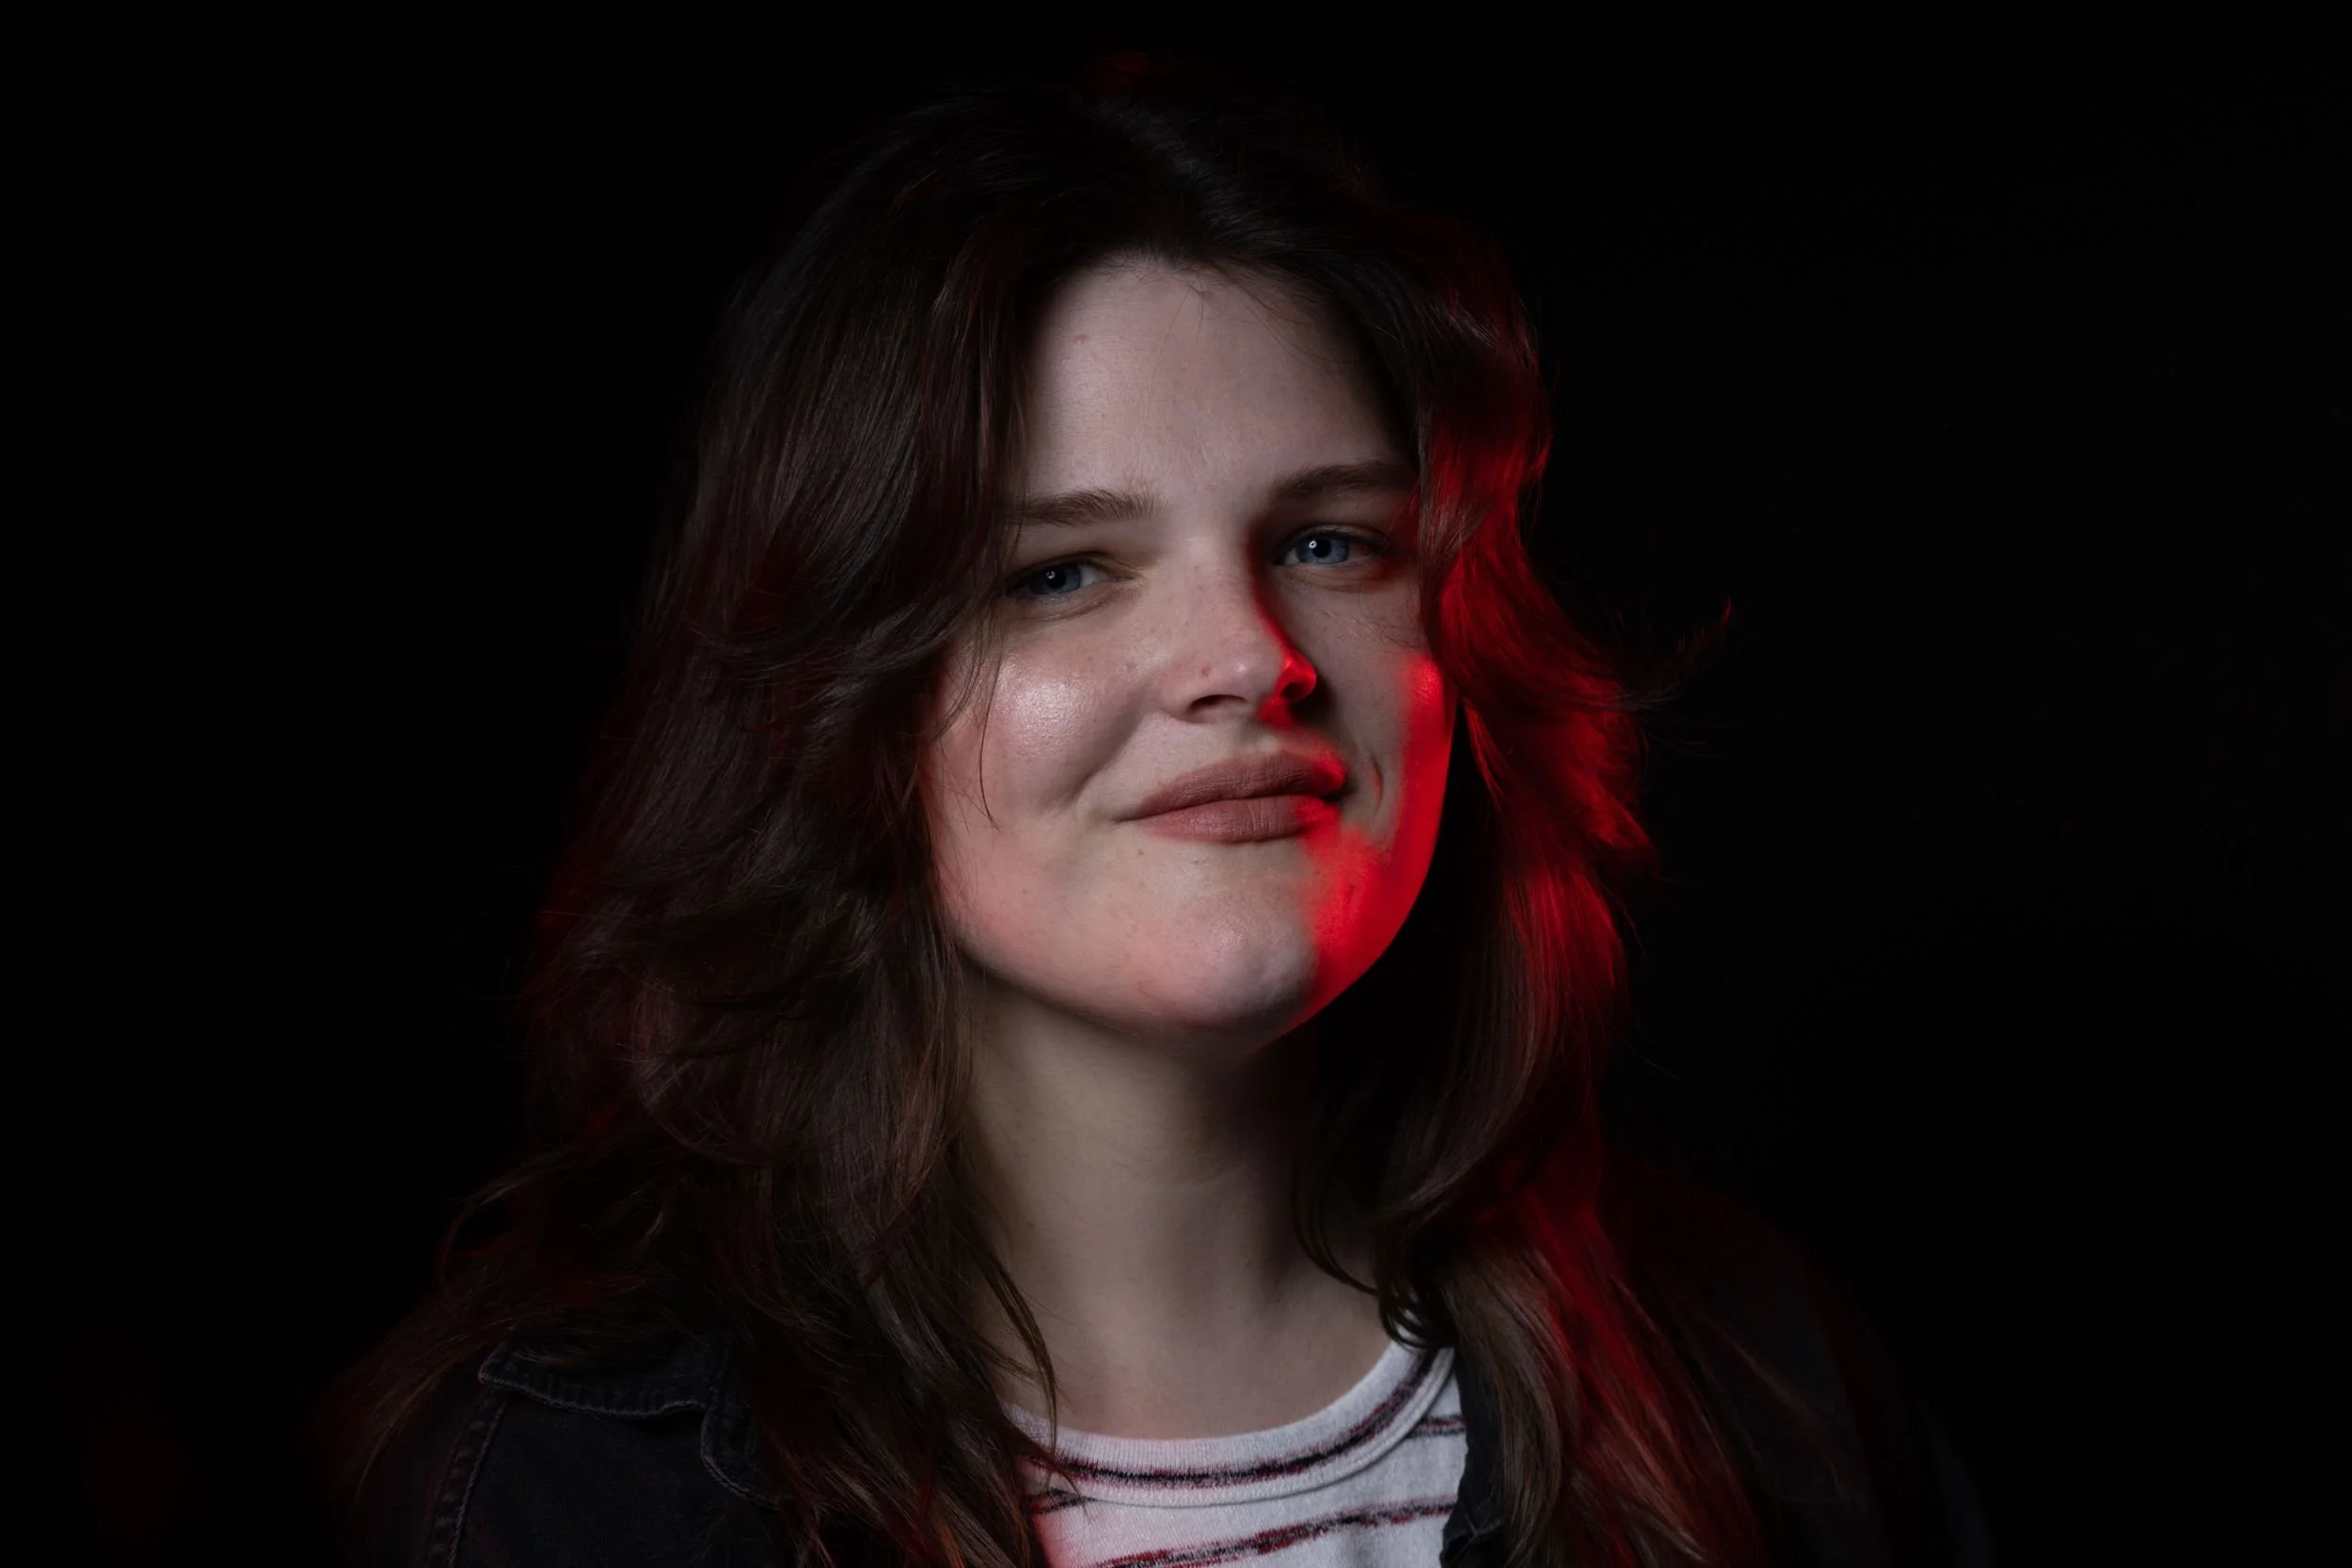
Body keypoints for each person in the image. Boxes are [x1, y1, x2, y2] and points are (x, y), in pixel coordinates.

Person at [329, 56, 1983, 1568]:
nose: (1250, 657)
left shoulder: (1764, 1377)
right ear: (836, 703)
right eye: (1061, 571)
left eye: (1330, 541)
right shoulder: (563, 1494)